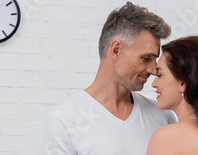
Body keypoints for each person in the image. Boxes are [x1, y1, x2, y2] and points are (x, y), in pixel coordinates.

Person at [44, 2, 177, 154]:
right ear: (116, 50)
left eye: (155, 59)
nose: (153, 70)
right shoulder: (64, 120)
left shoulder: (162, 115)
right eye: (146, 58)